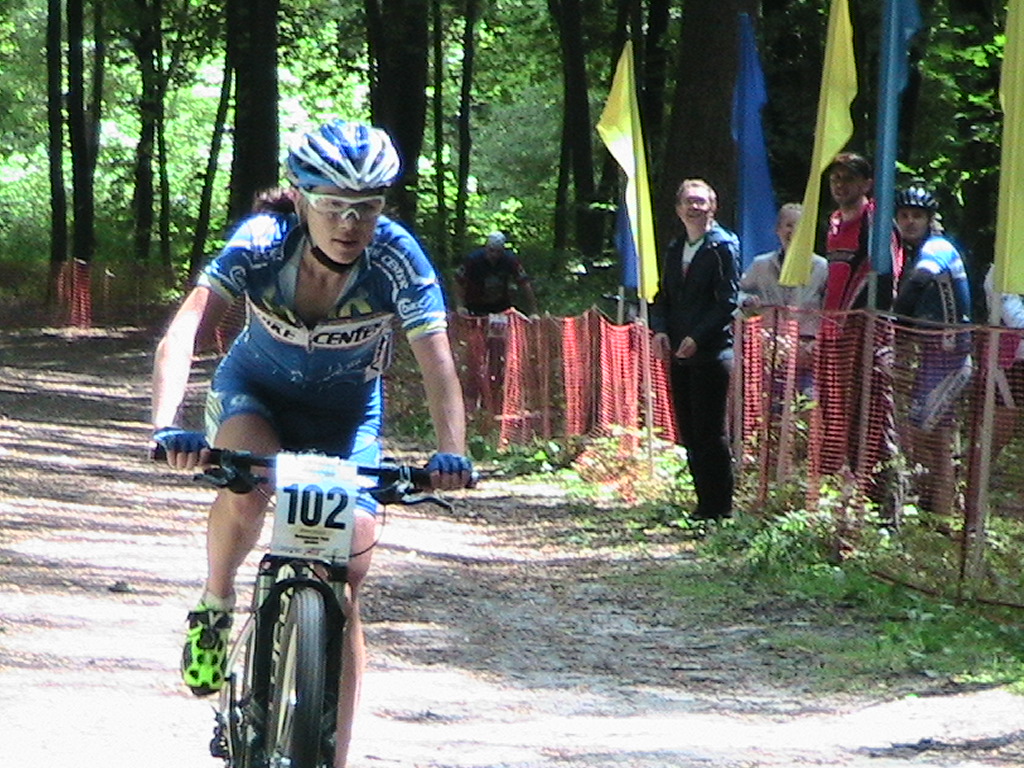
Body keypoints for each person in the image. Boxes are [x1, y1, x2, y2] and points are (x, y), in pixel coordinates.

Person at [150, 119, 473, 768]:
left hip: (346, 418)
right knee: (247, 490)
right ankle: (216, 600)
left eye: (367, 207)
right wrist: (166, 424)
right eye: (332, 205)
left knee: (347, 580)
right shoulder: (262, 242)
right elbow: (185, 331)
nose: (350, 223)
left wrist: (452, 451)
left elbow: (438, 365)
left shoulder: (397, 257)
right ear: (299, 198)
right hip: (255, 396)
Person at [651, 179, 740, 521]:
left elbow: (727, 301)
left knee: (710, 432)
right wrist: (660, 330)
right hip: (678, 354)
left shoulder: (723, 247)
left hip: (712, 354)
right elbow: (663, 296)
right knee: (688, 432)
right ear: (678, 209)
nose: (695, 207)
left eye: (701, 202)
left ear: (712, 207)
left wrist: (698, 338)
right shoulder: (675, 249)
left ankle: (720, 508)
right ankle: (702, 505)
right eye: (689, 201)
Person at [892, 186, 972, 516]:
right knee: (933, 437)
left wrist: (892, 325)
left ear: (930, 220)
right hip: (931, 354)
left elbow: (917, 285)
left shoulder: (936, 248)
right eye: (904, 216)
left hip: (950, 354)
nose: (910, 222)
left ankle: (941, 514)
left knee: (923, 433)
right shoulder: (911, 252)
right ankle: (938, 510)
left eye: (917, 216)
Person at [739, 202, 828, 395]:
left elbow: (831, 310)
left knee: (805, 404)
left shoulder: (822, 267)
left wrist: (816, 344)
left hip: (806, 353)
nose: (793, 231)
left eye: (799, 226)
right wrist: (747, 302)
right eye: (788, 225)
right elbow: (737, 294)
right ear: (777, 229)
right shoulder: (761, 265)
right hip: (769, 351)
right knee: (768, 404)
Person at [452, 231, 538, 316]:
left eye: (498, 252)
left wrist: (533, 312)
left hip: (501, 308)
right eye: (491, 250)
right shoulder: (473, 260)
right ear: (486, 248)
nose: (494, 255)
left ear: (503, 251)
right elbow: (458, 281)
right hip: (475, 307)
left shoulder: (510, 260)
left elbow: (525, 283)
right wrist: (460, 305)